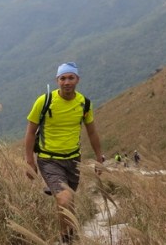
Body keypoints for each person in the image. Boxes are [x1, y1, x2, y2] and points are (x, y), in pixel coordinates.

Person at [25, 62, 105, 244]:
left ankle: (72, 234)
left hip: (74, 160)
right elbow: (30, 131)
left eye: (71, 78)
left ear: (77, 80)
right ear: (57, 80)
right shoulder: (44, 101)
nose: (67, 82)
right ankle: (65, 239)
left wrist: (99, 157)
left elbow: (92, 132)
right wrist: (29, 160)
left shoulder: (84, 104)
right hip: (49, 160)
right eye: (63, 78)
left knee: (69, 202)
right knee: (64, 199)